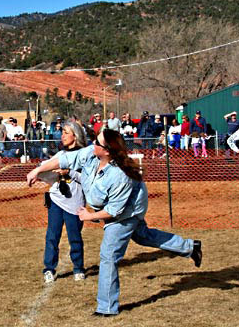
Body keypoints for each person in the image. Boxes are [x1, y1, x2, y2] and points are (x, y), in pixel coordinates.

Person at [26, 129, 202, 316]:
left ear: (107, 151)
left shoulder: (120, 175)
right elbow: (65, 160)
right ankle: (190, 247)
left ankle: (107, 308)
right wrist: (38, 169)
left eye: (98, 143)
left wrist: (88, 216)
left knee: (108, 255)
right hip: (113, 209)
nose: (93, 144)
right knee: (144, 236)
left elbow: (114, 211)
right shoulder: (91, 155)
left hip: (126, 213)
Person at [41, 121, 88, 283]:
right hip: (56, 200)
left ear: (75, 136)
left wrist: (69, 172)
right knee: (52, 236)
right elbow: (45, 169)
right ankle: (49, 268)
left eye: (66, 132)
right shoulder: (60, 155)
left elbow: (87, 179)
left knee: (74, 236)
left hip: (74, 202)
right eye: (62, 132)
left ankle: (78, 268)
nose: (63, 135)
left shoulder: (84, 155)